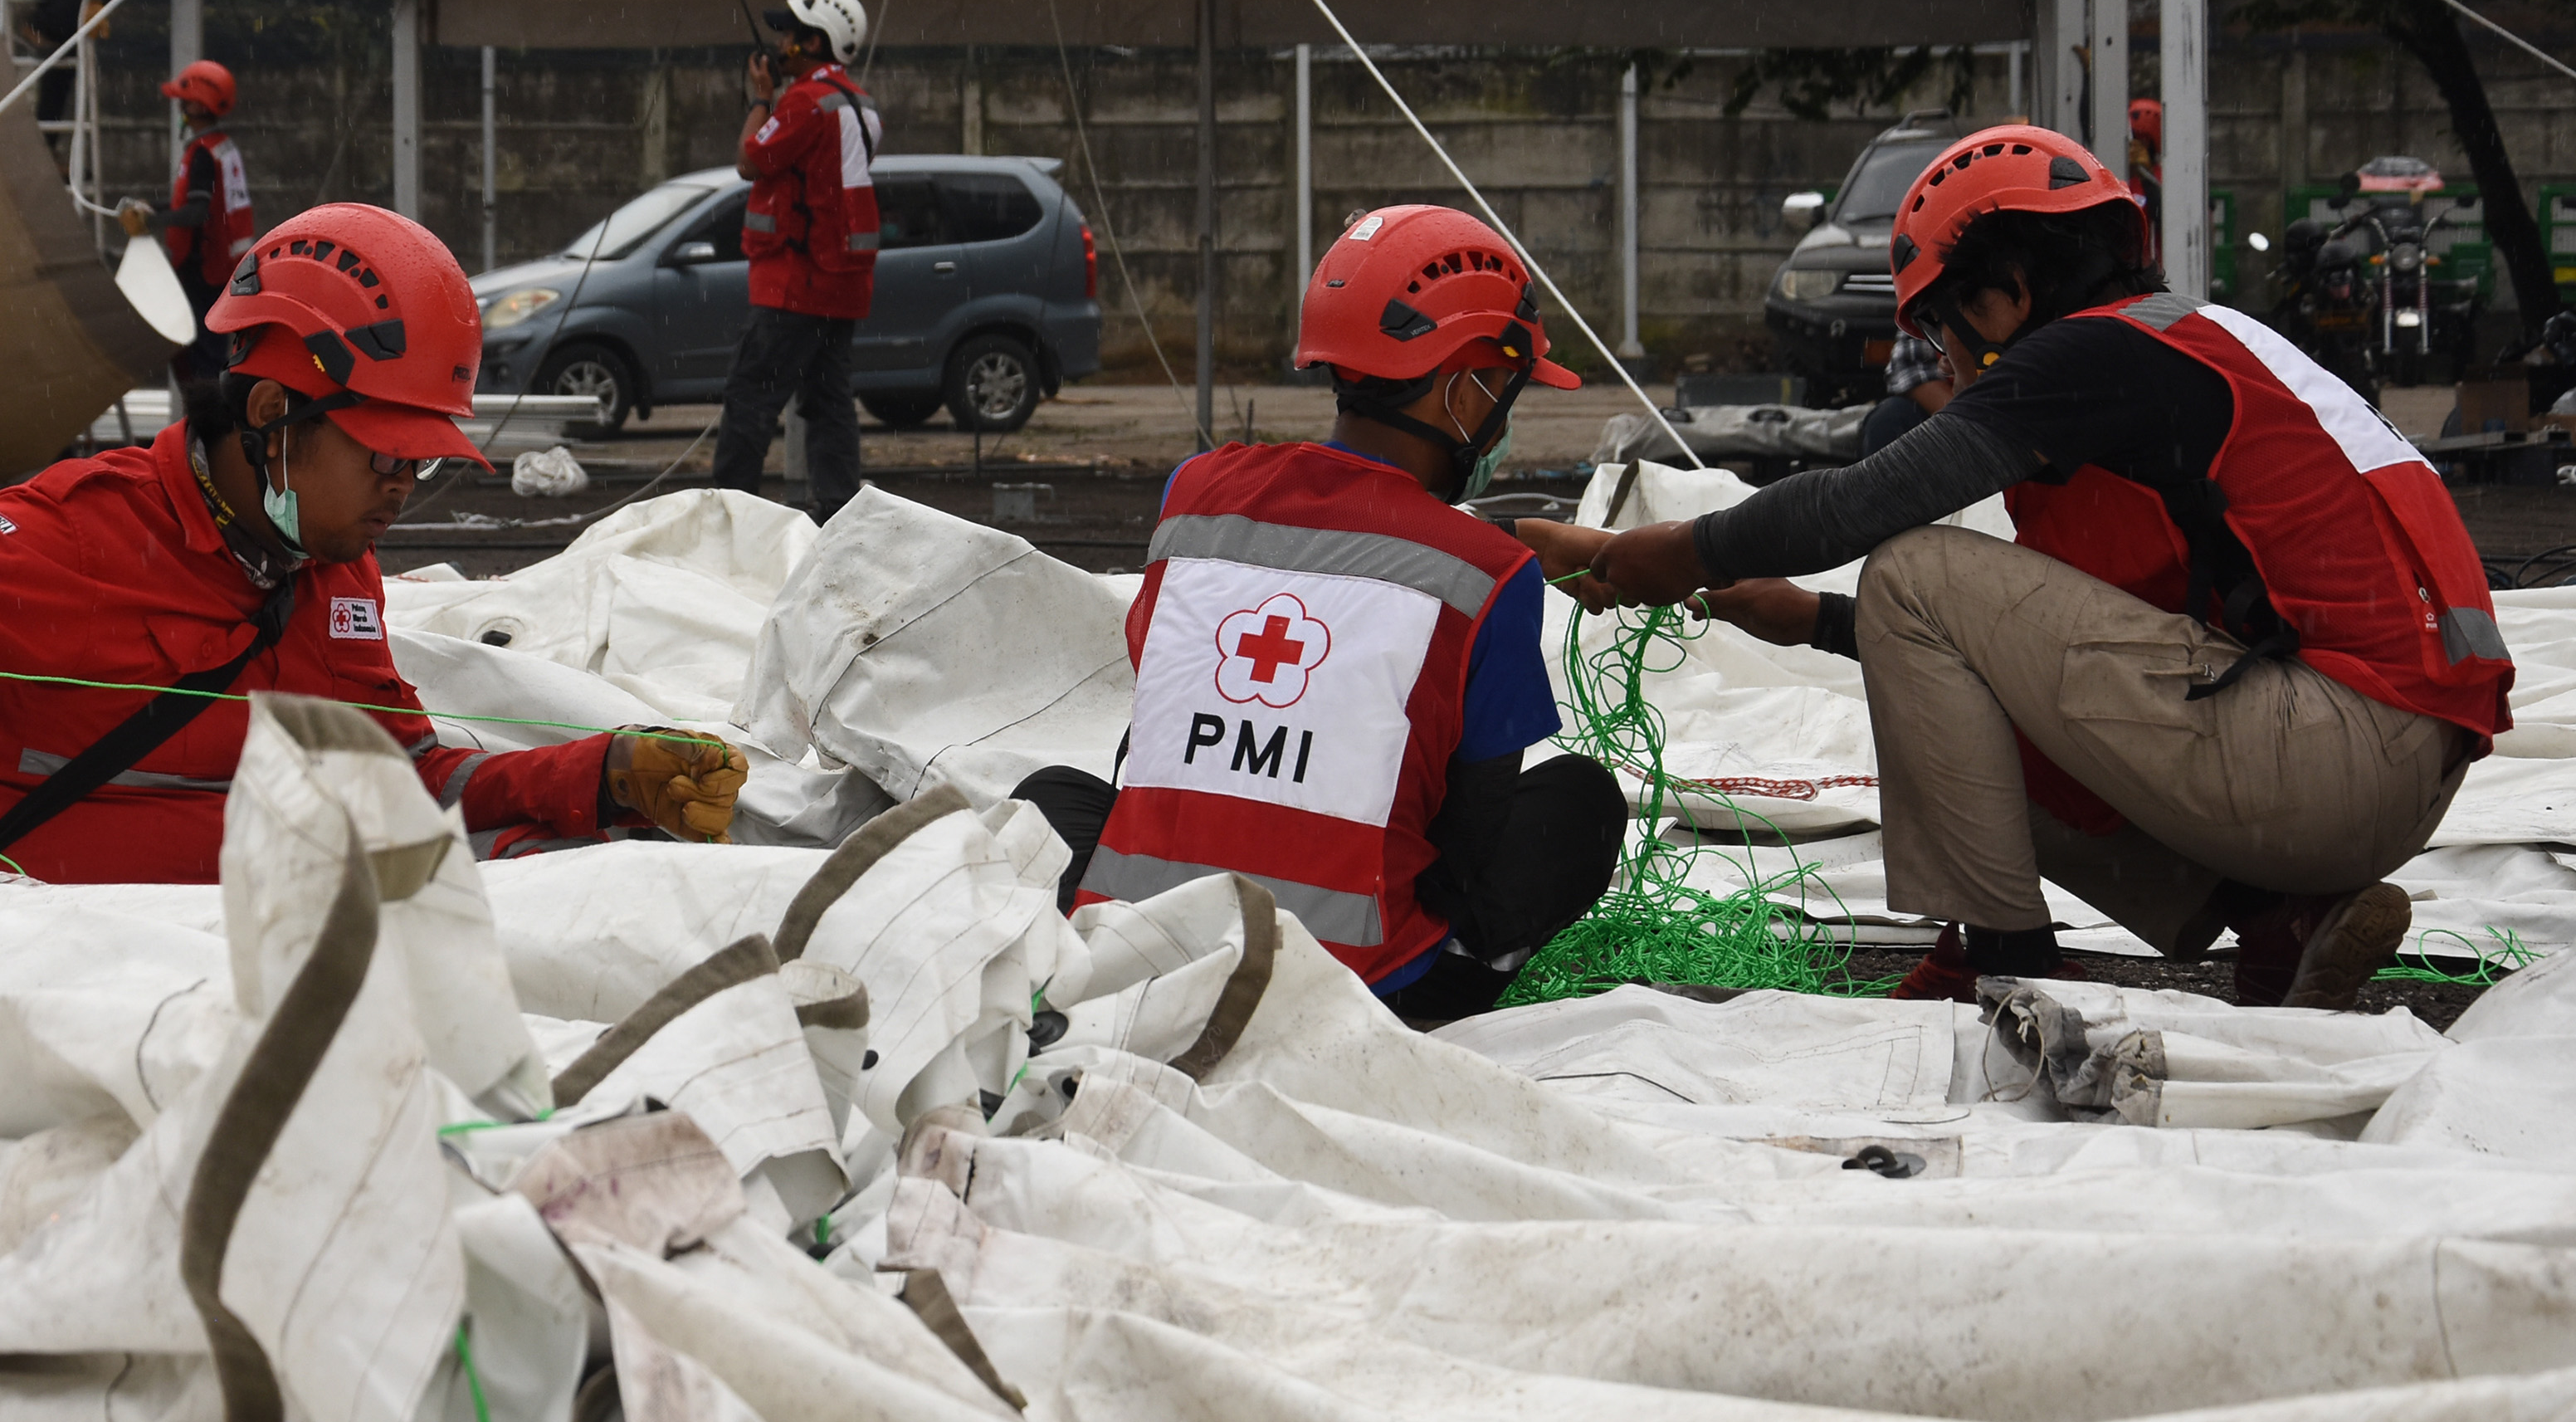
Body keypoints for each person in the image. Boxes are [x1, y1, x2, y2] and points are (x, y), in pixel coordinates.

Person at [1520, 124, 2511, 1009]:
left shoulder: (2087, 355)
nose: (1941, 367)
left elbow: (1856, 507)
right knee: (1946, 638)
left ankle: (2003, 955)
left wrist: (1647, 552)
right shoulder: (2195, 344)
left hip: (2328, 751)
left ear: (2006, 296)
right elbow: (2076, 650)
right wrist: (1808, 618)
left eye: (1938, 330)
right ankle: (2278, 921)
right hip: (2395, 764)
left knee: (1911, 567)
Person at [0, 203, 748, 882]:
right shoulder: (75, 531)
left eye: (424, 460)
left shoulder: (333, 581)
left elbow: (409, 789)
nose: (406, 489)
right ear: (274, 415)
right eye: (386, 454)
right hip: (19, 983)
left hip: (223, 978)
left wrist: (601, 779)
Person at [1009, 206, 1627, 1024]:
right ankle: (1438, 996)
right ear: (1463, 387)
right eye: (1503, 394)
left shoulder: (1192, 498)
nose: (1504, 421)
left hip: (1141, 942)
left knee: (1050, 792)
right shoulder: (1486, 578)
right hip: (1355, 984)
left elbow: (1342, 531)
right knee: (1581, 799)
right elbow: (1465, 841)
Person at [710, 0, 883, 522]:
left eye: (789, 33)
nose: (780, 42)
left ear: (815, 41)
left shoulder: (805, 101)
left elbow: (749, 160)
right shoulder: (860, 104)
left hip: (796, 283)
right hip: (842, 285)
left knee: (750, 400)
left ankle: (729, 515)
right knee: (829, 400)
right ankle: (838, 513)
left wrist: (761, 96)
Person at [119, 58, 256, 379]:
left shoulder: (203, 155)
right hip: (221, 267)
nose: (180, 107)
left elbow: (196, 213)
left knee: (199, 359)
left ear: (197, 106)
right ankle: (206, 421)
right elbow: (197, 201)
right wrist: (154, 208)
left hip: (202, 270)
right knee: (205, 354)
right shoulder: (221, 147)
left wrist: (150, 222)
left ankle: (208, 424)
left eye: (184, 101)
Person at [1859, 331, 1954, 458]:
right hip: (1952, 413)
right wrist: (1963, 425)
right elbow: (1911, 365)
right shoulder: (1931, 317)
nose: (1945, 364)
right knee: (1889, 419)